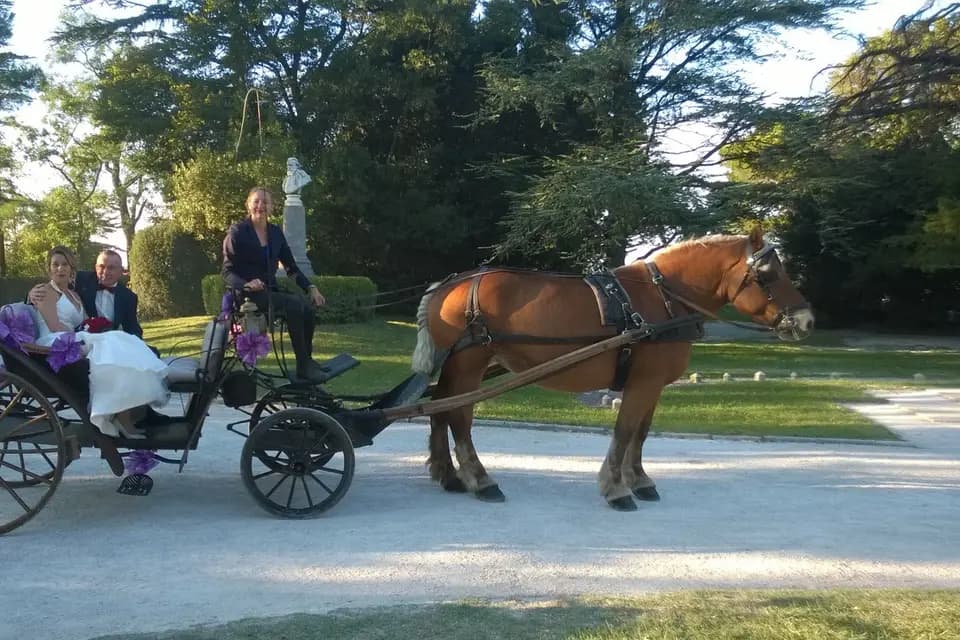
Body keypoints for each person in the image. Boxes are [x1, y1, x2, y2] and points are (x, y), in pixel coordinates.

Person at [32, 246, 168, 439]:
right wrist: (31, 294)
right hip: (58, 342)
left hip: (76, 336)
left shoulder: (73, 293)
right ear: (49, 268)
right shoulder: (45, 292)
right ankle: (119, 416)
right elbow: (54, 327)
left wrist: (95, 329)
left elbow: (88, 321)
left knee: (121, 343)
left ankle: (131, 413)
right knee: (113, 343)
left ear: (72, 269)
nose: (60, 269)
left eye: (65, 265)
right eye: (55, 265)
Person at [222, 186, 327, 382]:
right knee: (294, 304)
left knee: (307, 306)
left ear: (271, 207)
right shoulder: (237, 232)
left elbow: (291, 268)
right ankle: (303, 367)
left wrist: (311, 288)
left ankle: (307, 360)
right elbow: (227, 272)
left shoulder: (276, 233)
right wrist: (246, 283)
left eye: (265, 202)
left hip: (269, 292)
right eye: (256, 201)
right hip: (247, 296)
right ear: (248, 204)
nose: (260, 205)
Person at [29, 249, 143, 338]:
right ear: (95, 267)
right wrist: (31, 294)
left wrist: (132, 343)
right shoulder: (82, 280)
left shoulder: (129, 297)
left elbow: (133, 328)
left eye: (111, 268)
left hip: (106, 340)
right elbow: (49, 292)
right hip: (72, 340)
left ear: (121, 271)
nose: (105, 272)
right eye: (102, 267)